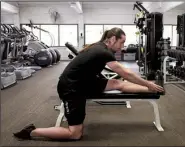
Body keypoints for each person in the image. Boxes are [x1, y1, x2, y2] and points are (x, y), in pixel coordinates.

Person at [13, 27, 164, 141]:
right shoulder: (103, 51)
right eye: (121, 42)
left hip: (85, 82)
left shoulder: (99, 47)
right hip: (72, 88)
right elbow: (126, 73)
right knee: (75, 134)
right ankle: (31, 131)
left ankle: (151, 88)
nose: (122, 46)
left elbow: (122, 76)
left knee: (117, 83)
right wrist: (147, 83)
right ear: (112, 39)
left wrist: (149, 86)